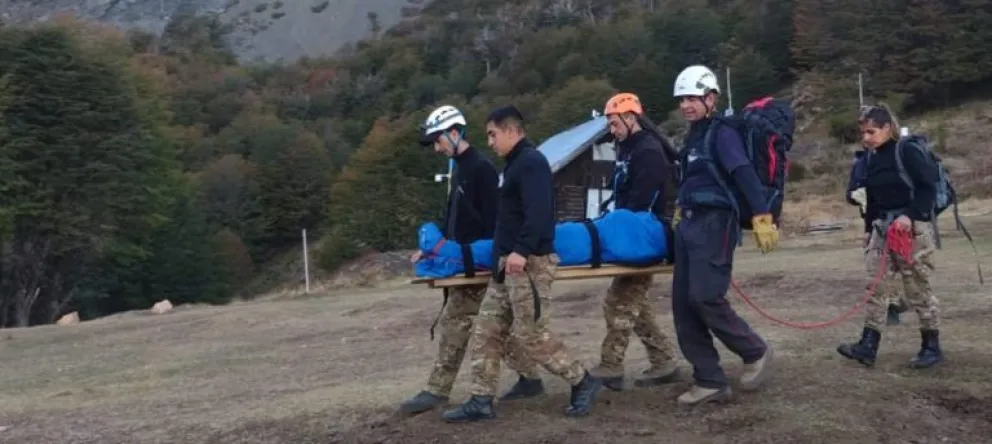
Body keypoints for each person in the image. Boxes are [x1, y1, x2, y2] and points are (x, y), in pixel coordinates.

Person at [441, 105, 603, 423]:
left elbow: (540, 212)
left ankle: (582, 380)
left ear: (512, 130)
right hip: (506, 265)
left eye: (493, 134)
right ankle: (481, 399)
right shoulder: (514, 165)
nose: (490, 142)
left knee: (531, 335)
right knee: (487, 330)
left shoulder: (531, 162)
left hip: (529, 264)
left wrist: (521, 251)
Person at [400, 105, 541, 415]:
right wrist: (435, 248)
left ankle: (437, 390)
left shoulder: (481, 170)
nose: (436, 148)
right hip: (463, 262)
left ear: (455, 133)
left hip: (477, 263)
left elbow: (498, 222)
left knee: (457, 322)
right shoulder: (459, 168)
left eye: (438, 140)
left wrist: (488, 259)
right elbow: (454, 218)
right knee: (492, 328)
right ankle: (531, 377)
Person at [669, 65, 778, 406]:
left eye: (693, 98)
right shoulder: (693, 136)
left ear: (711, 98)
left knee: (705, 297)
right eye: (682, 99)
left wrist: (762, 215)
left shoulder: (722, 133)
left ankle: (755, 350)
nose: (686, 105)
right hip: (688, 223)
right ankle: (709, 380)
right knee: (683, 306)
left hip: (715, 223)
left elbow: (743, 173)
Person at [584, 92, 680, 391]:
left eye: (615, 123)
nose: (612, 130)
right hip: (632, 236)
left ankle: (611, 365)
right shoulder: (628, 149)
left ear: (630, 118)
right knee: (634, 304)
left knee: (619, 302)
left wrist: (619, 230)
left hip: (645, 237)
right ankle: (664, 360)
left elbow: (641, 202)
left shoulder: (648, 152)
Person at [836, 104, 943, 369]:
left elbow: (928, 189)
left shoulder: (907, 151)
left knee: (917, 287)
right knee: (875, 286)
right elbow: (872, 198)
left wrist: (909, 215)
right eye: (863, 133)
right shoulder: (871, 159)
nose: (866, 138)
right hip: (882, 230)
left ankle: (931, 346)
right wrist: (867, 230)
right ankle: (868, 346)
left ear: (887, 128)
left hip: (912, 231)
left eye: (871, 132)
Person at [846, 144, 909, 326]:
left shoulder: (884, 158)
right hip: (877, 222)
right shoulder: (865, 161)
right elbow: (852, 194)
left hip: (893, 223)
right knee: (881, 267)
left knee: (886, 266)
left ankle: (893, 304)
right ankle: (893, 303)